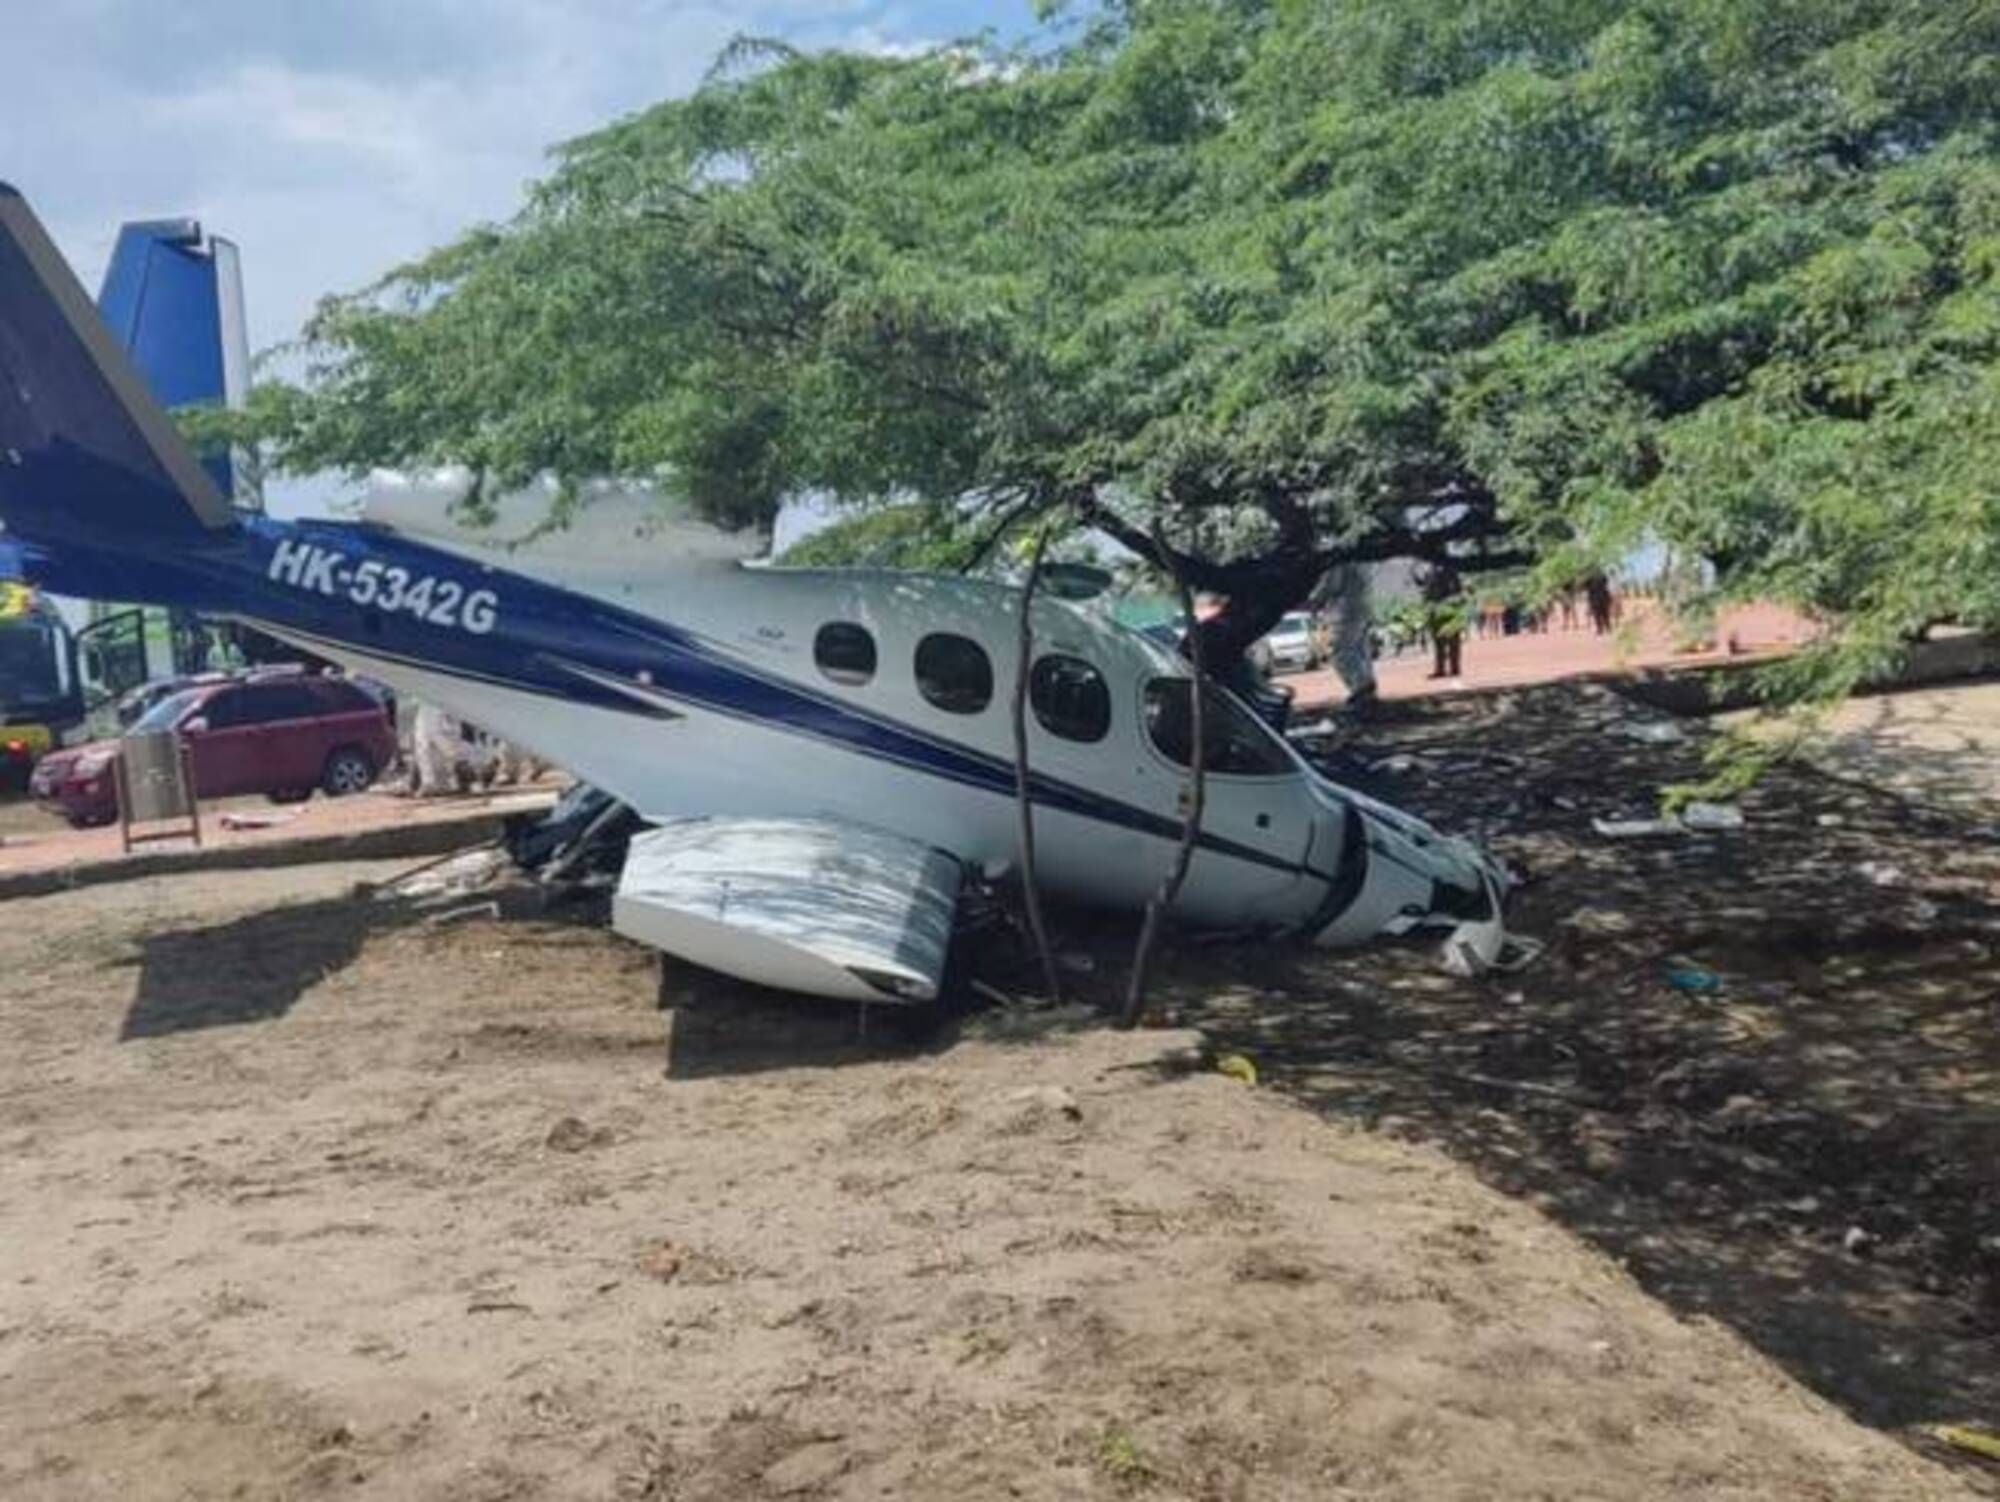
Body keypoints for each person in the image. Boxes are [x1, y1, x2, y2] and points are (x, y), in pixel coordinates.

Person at [1321, 562, 1378, 713]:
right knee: (1360, 650)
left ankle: (1361, 686)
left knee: (1341, 651)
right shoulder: (1364, 560)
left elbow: (1333, 585)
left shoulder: (1341, 558)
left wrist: (1316, 599)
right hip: (1363, 606)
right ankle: (1366, 687)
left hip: (1345, 609)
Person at [1421, 561, 1464, 680]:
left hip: (1445, 608)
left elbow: (1458, 589)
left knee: (1449, 640)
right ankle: (1445, 668)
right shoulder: (1432, 571)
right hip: (1440, 609)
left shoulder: (1445, 571)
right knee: (1442, 641)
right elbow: (1426, 591)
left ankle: (1450, 668)